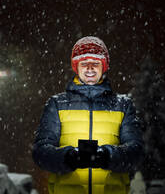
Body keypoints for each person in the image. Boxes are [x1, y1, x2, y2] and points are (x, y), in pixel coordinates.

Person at [32, 36, 143, 194]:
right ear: (76, 67)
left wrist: (107, 156)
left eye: (96, 63)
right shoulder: (56, 104)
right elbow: (40, 152)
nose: (90, 68)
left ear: (104, 67)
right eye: (84, 63)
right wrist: (67, 157)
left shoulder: (123, 105)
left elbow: (136, 152)